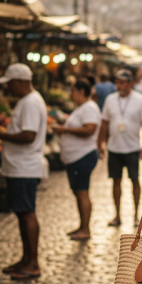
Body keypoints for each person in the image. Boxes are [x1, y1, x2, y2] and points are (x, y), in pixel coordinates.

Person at [0, 63, 47, 280]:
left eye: (10, 83)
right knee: (22, 213)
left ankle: (33, 263)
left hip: (24, 167)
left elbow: (29, 135)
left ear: (20, 82)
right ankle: (26, 259)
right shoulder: (28, 101)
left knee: (27, 212)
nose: (8, 88)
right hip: (20, 166)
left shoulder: (30, 103)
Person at [98, 69, 142, 227]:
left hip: (132, 147)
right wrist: (100, 142)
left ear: (130, 83)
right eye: (117, 82)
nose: (118, 85)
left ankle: (136, 215)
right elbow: (104, 122)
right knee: (116, 181)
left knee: (135, 180)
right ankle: (117, 215)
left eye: (121, 82)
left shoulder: (140, 100)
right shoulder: (110, 99)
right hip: (114, 147)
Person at [53, 79, 100, 240]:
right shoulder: (83, 108)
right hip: (77, 156)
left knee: (82, 192)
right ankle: (82, 226)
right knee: (79, 192)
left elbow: (90, 129)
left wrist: (64, 129)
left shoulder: (89, 108)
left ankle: (85, 229)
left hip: (83, 156)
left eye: (73, 91)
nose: (71, 95)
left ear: (81, 91)